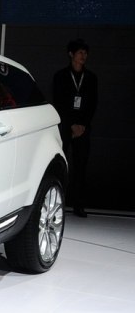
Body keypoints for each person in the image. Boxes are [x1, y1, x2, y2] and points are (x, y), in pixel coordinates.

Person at [52, 38, 98, 218]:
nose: (83, 56)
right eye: (80, 52)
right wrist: (71, 124)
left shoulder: (91, 78)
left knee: (81, 167)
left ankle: (79, 205)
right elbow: (58, 102)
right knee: (61, 166)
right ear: (71, 54)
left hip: (83, 129)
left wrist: (82, 125)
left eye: (85, 53)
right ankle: (57, 204)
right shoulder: (61, 76)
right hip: (65, 127)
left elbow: (93, 104)